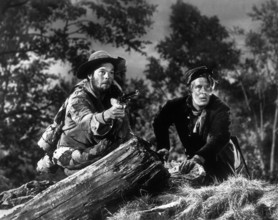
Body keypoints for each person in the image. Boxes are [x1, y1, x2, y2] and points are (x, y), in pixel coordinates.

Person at [37, 50, 132, 176]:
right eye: (102, 72)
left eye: (111, 72)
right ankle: (53, 160)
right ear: (90, 75)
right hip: (71, 149)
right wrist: (108, 114)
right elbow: (86, 123)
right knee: (91, 159)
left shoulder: (114, 92)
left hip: (97, 146)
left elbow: (125, 128)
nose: (107, 76)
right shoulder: (78, 97)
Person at [153, 66, 238, 183]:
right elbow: (159, 122)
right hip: (194, 158)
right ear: (191, 90)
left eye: (207, 88)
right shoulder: (175, 106)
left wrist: (198, 158)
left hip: (219, 158)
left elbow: (218, 137)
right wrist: (163, 146)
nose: (203, 92)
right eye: (199, 87)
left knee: (221, 186)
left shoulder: (221, 109)